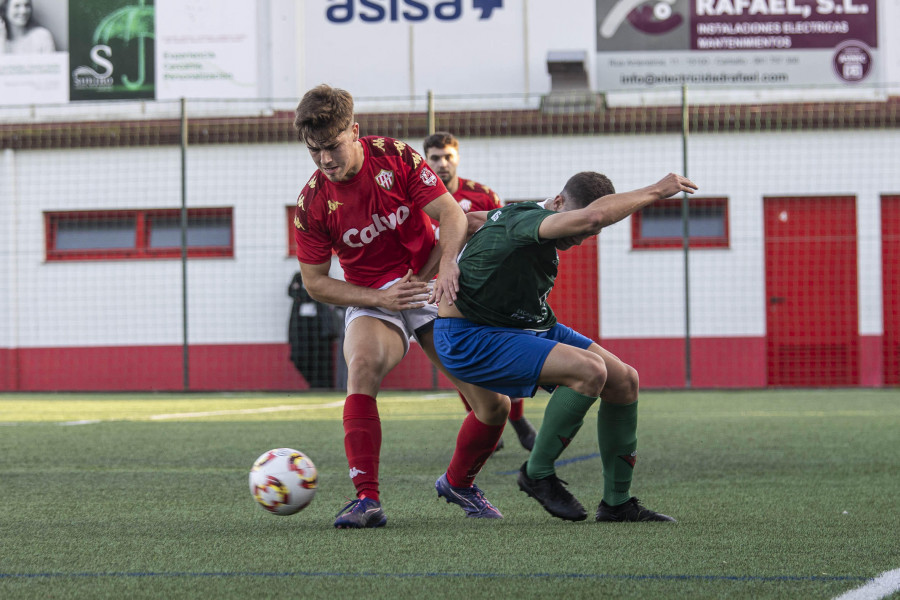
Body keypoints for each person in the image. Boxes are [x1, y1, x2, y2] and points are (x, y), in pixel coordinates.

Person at [292, 84, 512, 529]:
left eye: (332, 147)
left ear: (354, 132)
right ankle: (366, 500)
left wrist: (442, 268)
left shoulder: (397, 157)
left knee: (495, 407)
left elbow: (451, 216)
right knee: (363, 365)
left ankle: (459, 482)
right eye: (314, 151)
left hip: (429, 284)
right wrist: (379, 298)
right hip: (373, 298)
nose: (325, 161)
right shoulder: (312, 204)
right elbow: (314, 282)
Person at [433, 171, 698, 522]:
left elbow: (472, 219)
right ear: (558, 203)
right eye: (577, 227)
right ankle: (537, 474)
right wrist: (655, 191)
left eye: (589, 235)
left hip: (524, 326)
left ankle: (617, 504)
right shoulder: (531, 218)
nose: (581, 236)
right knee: (590, 371)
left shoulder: (511, 216)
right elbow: (593, 215)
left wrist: (447, 262)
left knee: (625, 380)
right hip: (470, 335)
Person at [423, 131, 537, 452]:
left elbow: (507, 235)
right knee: (458, 359)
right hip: (438, 293)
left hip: (484, 290)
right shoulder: (416, 199)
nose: (442, 164)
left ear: (457, 157)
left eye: (448, 156)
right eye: (435, 158)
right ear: (426, 160)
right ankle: (485, 419)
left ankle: (517, 420)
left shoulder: (483, 195)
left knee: (505, 350)